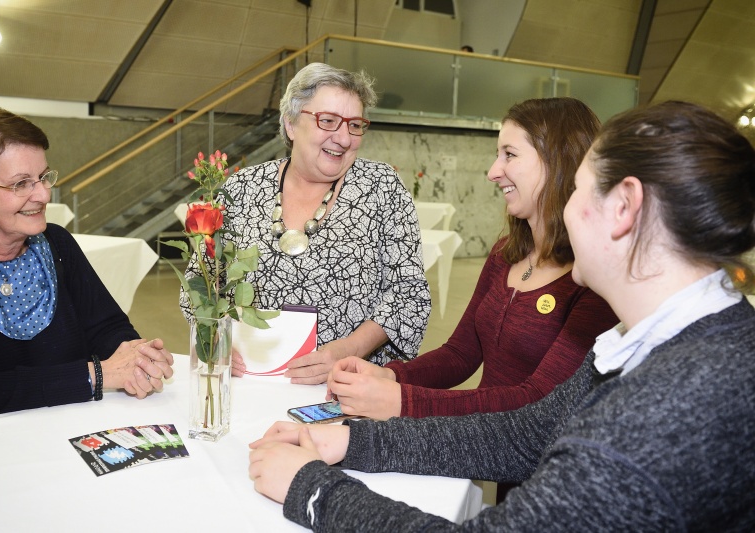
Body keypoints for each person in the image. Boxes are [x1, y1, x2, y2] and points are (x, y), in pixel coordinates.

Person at [248, 100, 755, 530]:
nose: (568, 207)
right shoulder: (680, 339)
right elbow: (528, 433)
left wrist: (311, 488)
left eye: (577, 189)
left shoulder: (658, 413)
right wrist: (353, 440)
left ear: (624, 206)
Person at [325, 98, 617, 420]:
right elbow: (460, 354)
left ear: (557, 161)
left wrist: (402, 400)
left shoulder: (594, 278)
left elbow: (538, 400)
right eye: (497, 155)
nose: (493, 172)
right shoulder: (505, 254)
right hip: (479, 444)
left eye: (510, 154)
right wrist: (390, 376)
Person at [182, 63, 430, 385]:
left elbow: (408, 294)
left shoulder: (381, 186)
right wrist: (213, 338)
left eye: (355, 125)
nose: (343, 138)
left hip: (344, 386)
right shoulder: (242, 187)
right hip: (248, 381)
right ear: (291, 124)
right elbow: (199, 280)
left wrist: (348, 350)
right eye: (327, 121)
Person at [0, 104, 175, 426]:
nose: (43, 194)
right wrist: (95, 375)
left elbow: (106, 326)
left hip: (74, 428)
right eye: (21, 184)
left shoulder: (57, 243)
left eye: (43, 177)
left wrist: (138, 356)